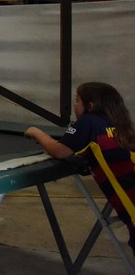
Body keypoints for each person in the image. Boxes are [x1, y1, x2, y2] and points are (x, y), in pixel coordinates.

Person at [25, 82, 135, 255]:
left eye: (77, 101)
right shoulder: (120, 126)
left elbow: (60, 151)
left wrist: (36, 132)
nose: (75, 105)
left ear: (90, 106)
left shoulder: (88, 122)